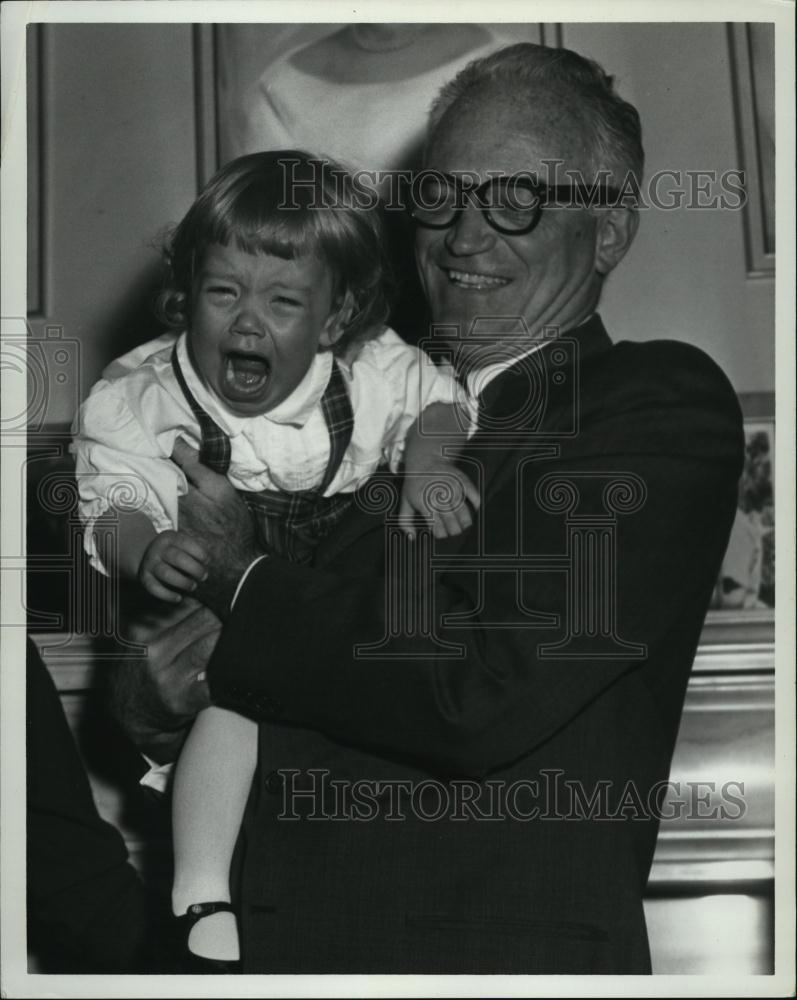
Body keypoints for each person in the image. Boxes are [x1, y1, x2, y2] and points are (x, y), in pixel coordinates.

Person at [111, 43, 744, 973]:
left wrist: (243, 584)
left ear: (606, 230)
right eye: (440, 197)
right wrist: (156, 702)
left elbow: (477, 690)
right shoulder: (357, 405)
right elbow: (239, 667)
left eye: (516, 199)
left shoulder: (651, 400)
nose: (463, 237)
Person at [72, 151, 476, 969]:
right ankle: (202, 891)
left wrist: (430, 462)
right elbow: (108, 498)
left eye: (283, 302)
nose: (247, 323)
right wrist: (146, 548)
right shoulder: (142, 394)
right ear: (187, 293)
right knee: (233, 708)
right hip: (222, 592)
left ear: (335, 321)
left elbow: (438, 403)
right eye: (222, 293)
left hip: (338, 581)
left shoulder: (371, 371)